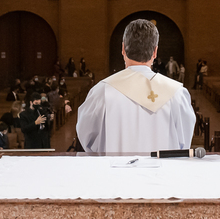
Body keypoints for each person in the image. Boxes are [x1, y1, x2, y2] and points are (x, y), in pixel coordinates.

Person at [76, 19, 196, 153]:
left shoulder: (101, 91)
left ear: (123, 49)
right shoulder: (177, 93)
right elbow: (184, 143)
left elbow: (87, 138)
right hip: (162, 172)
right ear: (155, 52)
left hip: (113, 172)